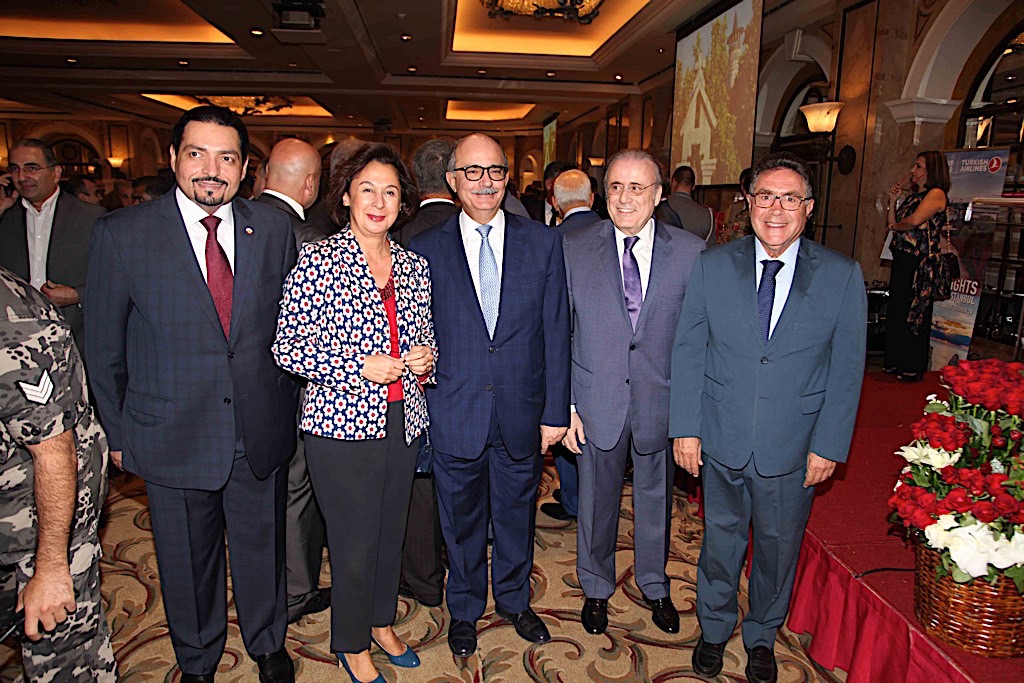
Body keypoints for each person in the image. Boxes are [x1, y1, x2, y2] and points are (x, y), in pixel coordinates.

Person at [85, 105, 299, 683]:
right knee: (185, 559)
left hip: (257, 427)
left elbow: (289, 327)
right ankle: (199, 657)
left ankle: (267, 641)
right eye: (197, 154)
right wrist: (118, 434)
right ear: (173, 158)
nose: (212, 169)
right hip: (171, 431)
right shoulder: (123, 233)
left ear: (245, 168)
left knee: (263, 547)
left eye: (227, 157)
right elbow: (103, 348)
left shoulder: (272, 228)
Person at [670, 152, 866, 683]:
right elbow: (689, 350)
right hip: (721, 435)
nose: (775, 209)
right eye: (765, 197)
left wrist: (829, 445)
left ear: (809, 208)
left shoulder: (842, 276)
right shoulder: (712, 265)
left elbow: (847, 369)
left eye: (789, 198)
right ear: (749, 203)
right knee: (720, 543)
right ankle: (714, 629)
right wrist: (685, 427)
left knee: (778, 550)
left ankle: (761, 636)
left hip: (793, 443)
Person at [273, 142, 435, 683]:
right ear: (345, 196)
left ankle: (381, 620)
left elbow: (424, 338)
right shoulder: (318, 260)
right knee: (354, 539)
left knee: (391, 530)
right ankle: (350, 640)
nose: (378, 202)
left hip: (403, 420)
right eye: (367, 189)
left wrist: (425, 360)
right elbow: (287, 347)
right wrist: (356, 365)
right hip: (340, 427)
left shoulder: (414, 266)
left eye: (390, 192)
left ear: (403, 203)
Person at [409, 133, 570, 658]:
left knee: (517, 516)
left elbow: (556, 331)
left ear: (507, 178)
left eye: (495, 171)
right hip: (454, 411)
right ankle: (463, 609)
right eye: (472, 172)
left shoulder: (543, 242)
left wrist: (555, 411)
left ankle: (515, 601)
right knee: (460, 523)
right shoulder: (423, 249)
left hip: (522, 411)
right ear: (452, 180)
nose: (484, 182)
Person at [562, 150, 704, 636]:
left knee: (655, 499)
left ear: (658, 195)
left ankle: (654, 583)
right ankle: (595, 585)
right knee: (595, 501)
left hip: (659, 401)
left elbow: (697, 342)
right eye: (616, 187)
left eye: (637, 188)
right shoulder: (574, 247)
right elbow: (560, 332)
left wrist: (688, 417)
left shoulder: (690, 253)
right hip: (594, 398)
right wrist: (568, 405)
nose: (624, 198)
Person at [0, 267, 118, 683]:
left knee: (65, 661)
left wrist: (51, 568)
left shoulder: (13, 318)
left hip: (39, 525)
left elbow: (54, 452)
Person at [255, 137, 332, 625]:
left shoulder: (233, 222)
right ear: (310, 186)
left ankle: (260, 581)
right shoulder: (309, 240)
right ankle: (298, 589)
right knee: (296, 490)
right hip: (295, 386)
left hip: (239, 385)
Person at [391, 137, 457, 609]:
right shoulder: (471, 229)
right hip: (461, 384)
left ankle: (423, 576)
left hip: (410, 382)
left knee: (416, 487)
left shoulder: (397, 235)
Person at [0, 139, 105, 350]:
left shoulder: (92, 218)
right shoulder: (5, 217)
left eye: (31, 168)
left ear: (55, 173)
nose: (22, 177)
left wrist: (76, 295)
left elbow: (116, 278)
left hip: (76, 337)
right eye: (15, 169)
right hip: (15, 341)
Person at [539, 168, 601, 524]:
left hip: (565, 355)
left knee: (566, 433)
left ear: (555, 202)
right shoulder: (613, 235)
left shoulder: (551, 240)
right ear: (591, 198)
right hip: (605, 359)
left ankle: (574, 499)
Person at [883, 150, 951, 382]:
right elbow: (893, 223)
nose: (913, 170)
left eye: (919, 166)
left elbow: (913, 221)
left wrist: (895, 227)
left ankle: (911, 365)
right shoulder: (913, 197)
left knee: (915, 312)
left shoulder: (936, 194)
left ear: (932, 170)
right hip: (902, 258)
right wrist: (892, 202)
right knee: (898, 309)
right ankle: (894, 361)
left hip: (920, 263)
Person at [656, 165, 715, 245]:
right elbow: (711, 248)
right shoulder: (707, 214)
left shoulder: (658, 207)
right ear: (693, 186)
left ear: (673, 182)